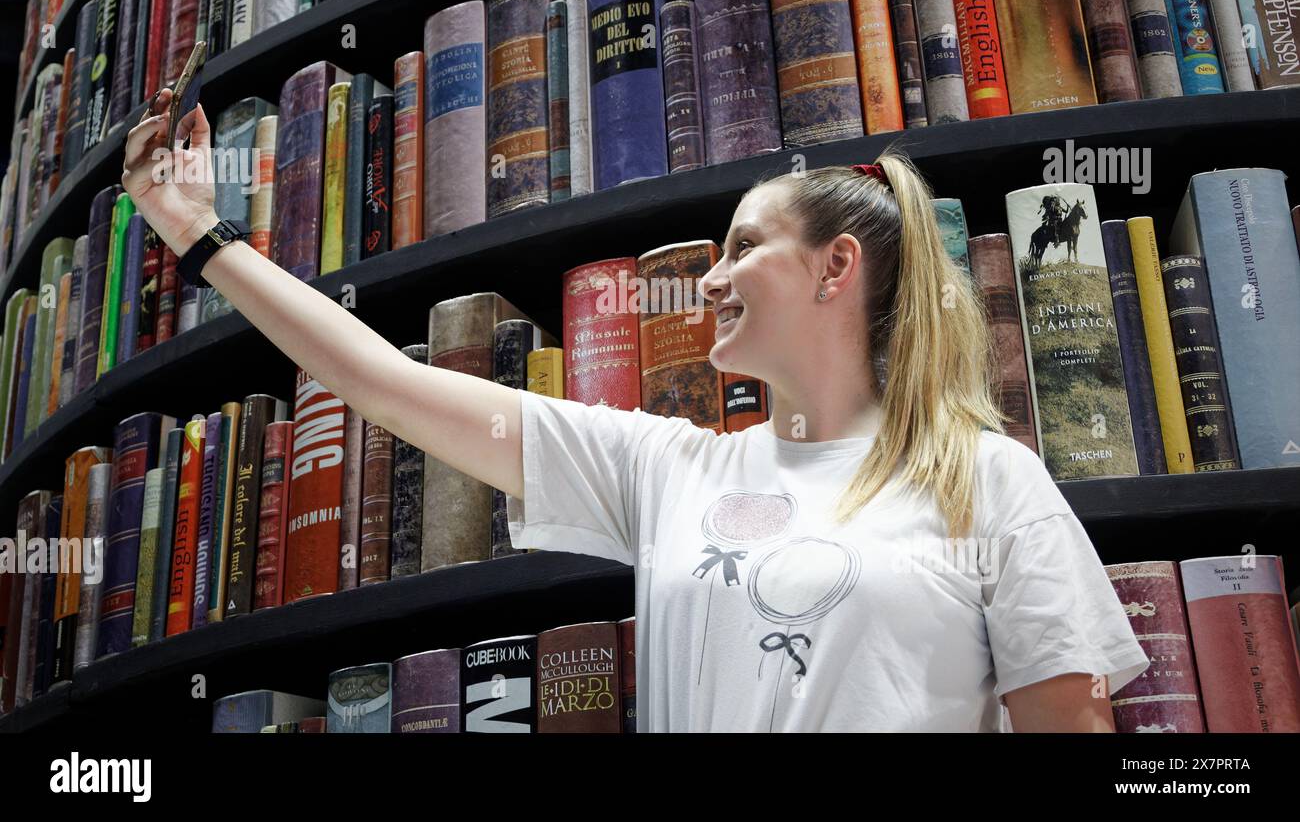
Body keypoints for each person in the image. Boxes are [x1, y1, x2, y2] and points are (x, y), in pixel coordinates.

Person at [121, 90, 1149, 733]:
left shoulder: (986, 477)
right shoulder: (671, 468)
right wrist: (199, 230)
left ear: (839, 265)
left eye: (745, 245)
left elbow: (1068, 720)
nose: (710, 277)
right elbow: (385, 381)